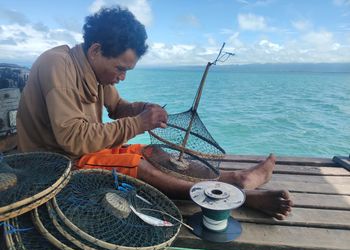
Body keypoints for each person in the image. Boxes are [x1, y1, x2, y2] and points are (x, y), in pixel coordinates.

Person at [17, 6, 292, 220]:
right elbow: (73, 139)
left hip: (81, 151)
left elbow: (117, 109)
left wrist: (142, 109)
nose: (122, 77)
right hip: (54, 164)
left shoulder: (95, 71)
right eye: (120, 68)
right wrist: (138, 123)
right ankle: (236, 195)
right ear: (96, 50)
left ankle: (235, 180)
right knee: (140, 168)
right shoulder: (58, 65)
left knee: (154, 154)